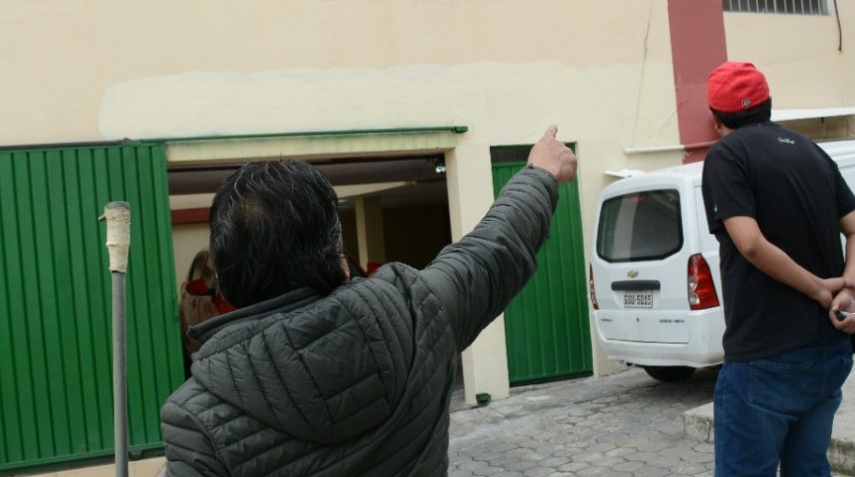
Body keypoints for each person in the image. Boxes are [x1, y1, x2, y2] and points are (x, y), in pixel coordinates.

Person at [160, 126, 577, 476]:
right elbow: (495, 247)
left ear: (226, 283)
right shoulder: (415, 310)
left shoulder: (196, 422)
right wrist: (539, 172)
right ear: (339, 258)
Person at [700, 62, 855, 477]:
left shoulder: (727, 155)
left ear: (715, 119)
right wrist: (847, 292)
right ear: (768, 104)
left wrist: (818, 288)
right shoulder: (810, 150)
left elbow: (749, 242)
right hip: (828, 351)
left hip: (765, 354)